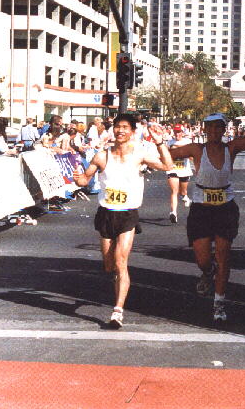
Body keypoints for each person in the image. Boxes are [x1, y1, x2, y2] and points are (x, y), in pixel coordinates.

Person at [169, 97, 245, 323]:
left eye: (218, 127)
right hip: (201, 208)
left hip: (225, 207)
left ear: (224, 130)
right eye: (210, 127)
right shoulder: (196, 149)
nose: (214, 131)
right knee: (203, 259)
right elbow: (168, 155)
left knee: (224, 256)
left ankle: (219, 303)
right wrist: (153, 149)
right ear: (204, 130)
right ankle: (206, 271)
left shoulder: (231, 148)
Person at [72, 114, 173, 329]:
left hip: (127, 213)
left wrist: (160, 142)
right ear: (113, 130)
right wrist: (78, 178)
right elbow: (85, 179)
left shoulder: (139, 154)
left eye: (125, 127)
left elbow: (168, 165)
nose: (120, 131)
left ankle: (118, 311)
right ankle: (117, 284)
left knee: (120, 262)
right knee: (109, 266)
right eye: (117, 127)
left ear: (132, 131)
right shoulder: (102, 156)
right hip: (106, 213)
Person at [166, 123, 193, 223]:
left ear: (182, 132)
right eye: (176, 132)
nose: (177, 134)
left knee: (183, 192)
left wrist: (178, 148)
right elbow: (166, 154)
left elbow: (191, 157)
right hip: (172, 169)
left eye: (179, 132)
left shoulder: (188, 141)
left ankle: (185, 196)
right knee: (174, 191)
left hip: (184, 169)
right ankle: (173, 212)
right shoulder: (169, 142)